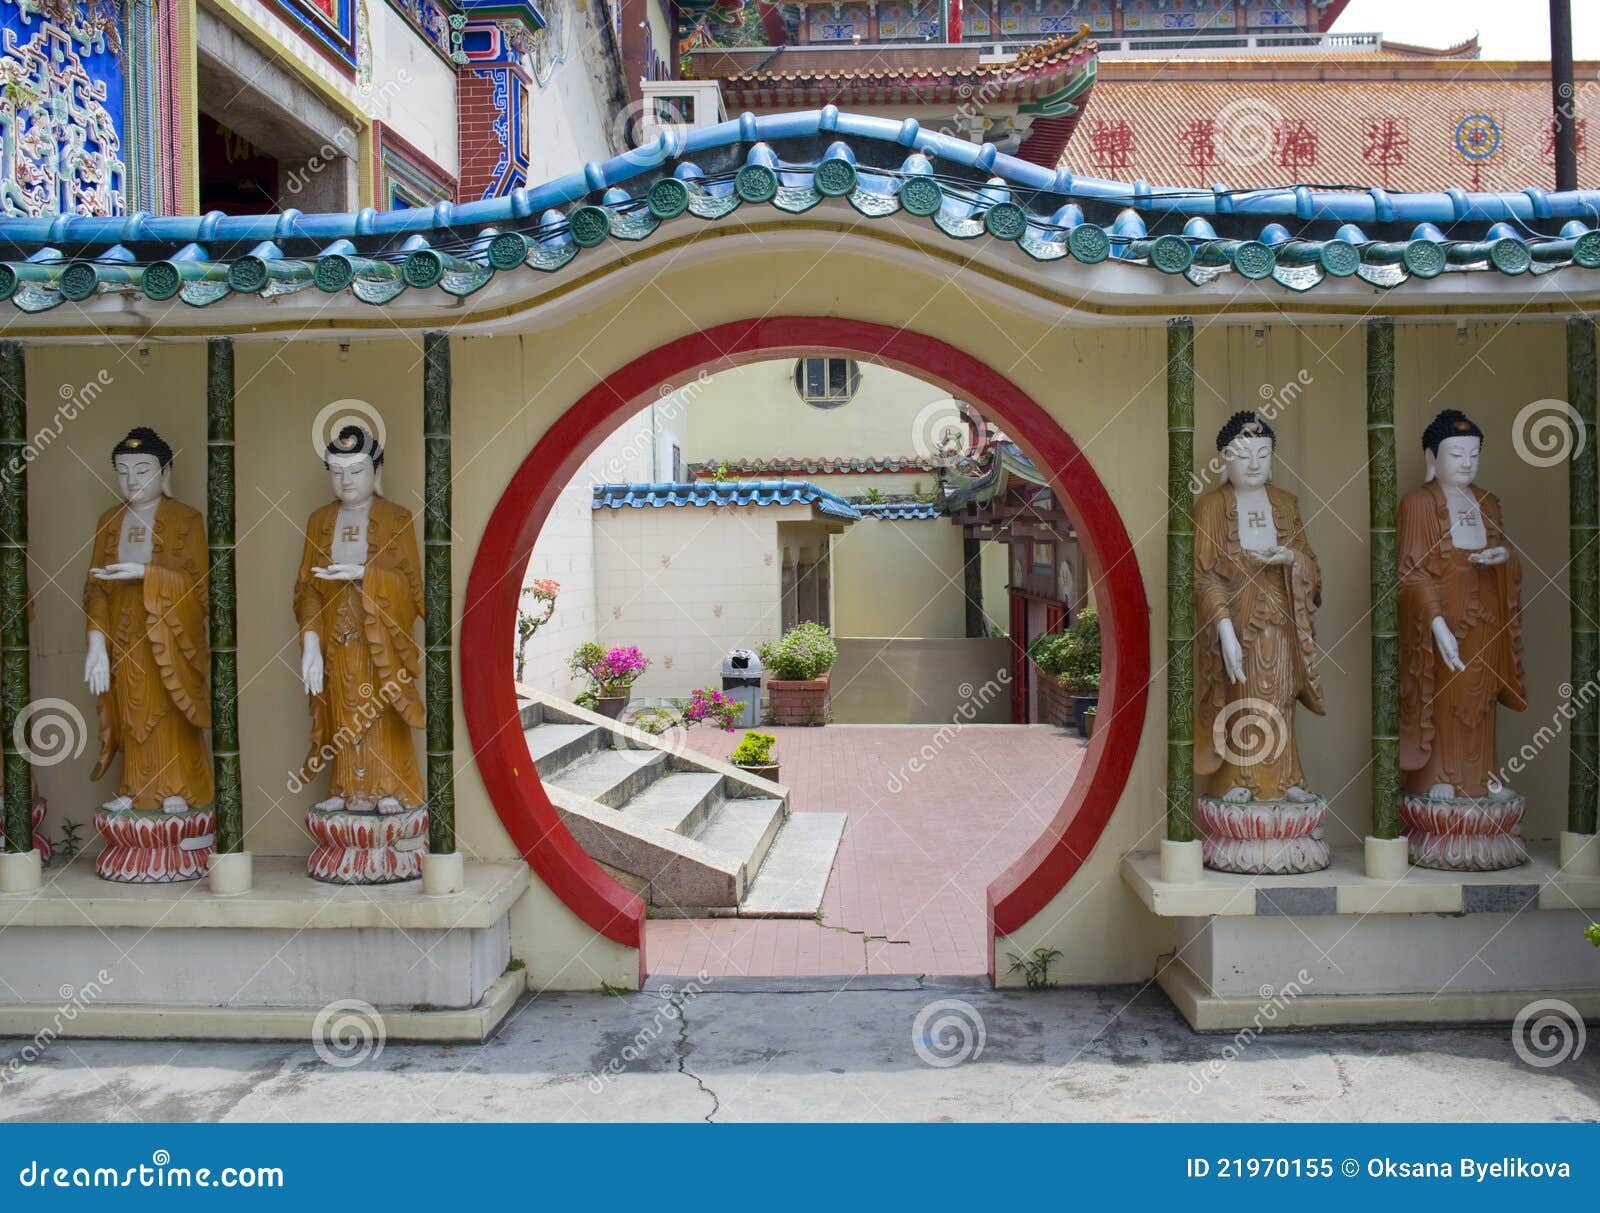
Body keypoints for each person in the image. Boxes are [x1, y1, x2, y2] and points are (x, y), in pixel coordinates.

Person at [294, 425, 424, 813]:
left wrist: (363, 575)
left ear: (377, 470)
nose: (346, 480)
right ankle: (346, 787)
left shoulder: (396, 518)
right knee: (344, 708)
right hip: (337, 639)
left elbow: (414, 590)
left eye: (356, 470)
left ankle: (390, 786)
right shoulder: (319, 520)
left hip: (381, 639)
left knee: (380, 711)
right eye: (336, 471)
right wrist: (311, 645)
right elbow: (307, 590)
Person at [83, 427, 212, 812]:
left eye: (142, 469)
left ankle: (180, 787)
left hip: (171, 640)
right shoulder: (109, 521)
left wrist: (146, 574)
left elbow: (200, 590)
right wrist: (96, 646)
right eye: (123, 471)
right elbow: (95, 590)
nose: (132, 480)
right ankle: (135, 787)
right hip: (124, 641)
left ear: (165, 472)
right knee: (132, 712)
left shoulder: (186, 519)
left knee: (170, 711)